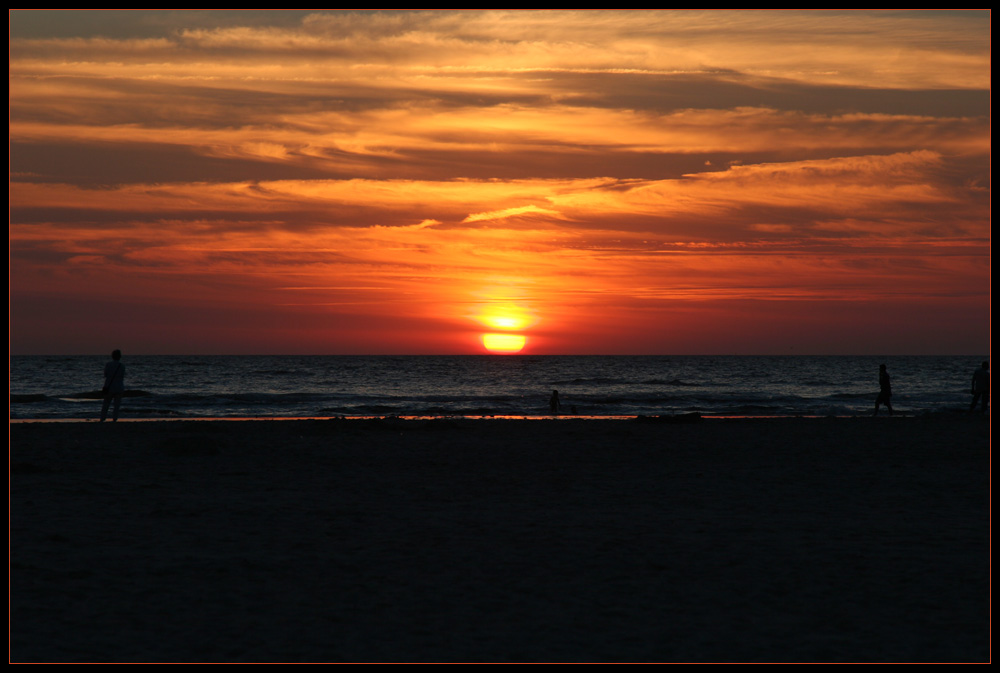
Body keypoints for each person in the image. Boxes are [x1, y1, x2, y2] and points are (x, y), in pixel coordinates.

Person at [100, 349, 126, 422]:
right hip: (119, 387)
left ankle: (102, 418)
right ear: (120, 357)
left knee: (106, 404)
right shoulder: (122, 366)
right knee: (117, 405)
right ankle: (115, 419)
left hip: (109, 387)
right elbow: (122, 376)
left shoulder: (108, 364)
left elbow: (105, 375)